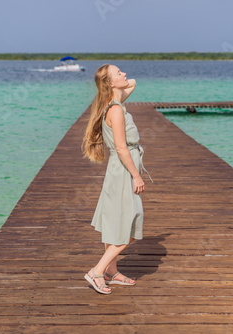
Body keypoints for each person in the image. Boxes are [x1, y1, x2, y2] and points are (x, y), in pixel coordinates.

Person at [81, 64, 153, 294]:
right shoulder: (116, 110)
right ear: (110, 84)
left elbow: (132, 82)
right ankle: (97, 271)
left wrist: (115, 82)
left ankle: (111, 271)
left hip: (116, 169)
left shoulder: (113, 104)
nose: (124, 73)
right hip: (123, 170)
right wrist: (136, 175)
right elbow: (122, 148)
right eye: (118, 72)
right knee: (128, 226)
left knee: (114, 224)